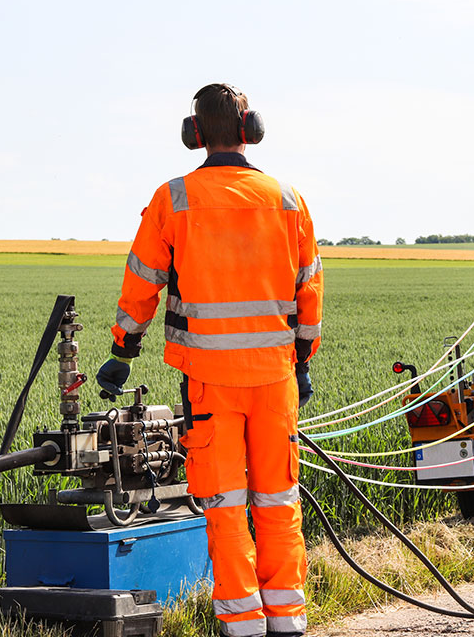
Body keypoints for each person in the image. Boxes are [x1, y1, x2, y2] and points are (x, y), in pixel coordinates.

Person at [96, 83, 322, 637]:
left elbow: (143, 280)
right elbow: (309, 289)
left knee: (225, 507)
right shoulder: (288, 199)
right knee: (278, 501)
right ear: (251, 128)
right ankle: (288, 621)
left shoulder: (174, 199)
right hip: (276, 384)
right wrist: (303, 360)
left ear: (193, 134)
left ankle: (243, 626)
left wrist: (124, 349)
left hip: (211, 387)